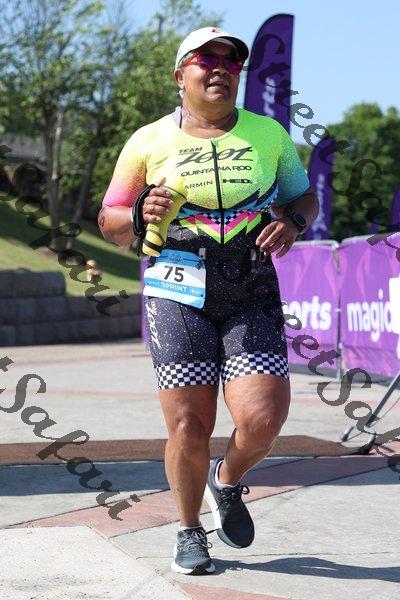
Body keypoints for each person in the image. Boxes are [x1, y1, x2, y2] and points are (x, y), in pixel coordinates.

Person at [98, 26, 319, 576]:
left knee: (263, 420)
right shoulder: (148, 141)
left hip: (249, 286)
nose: (220, 68)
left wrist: (293, 222)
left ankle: (227, 480)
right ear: (181, 75)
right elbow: (109, 222)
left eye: (231, 62)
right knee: (188, 425)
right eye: (206, 59)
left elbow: (303, 197)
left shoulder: (269, 135)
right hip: (177, 290)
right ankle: (189, 529)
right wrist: (139, 211)